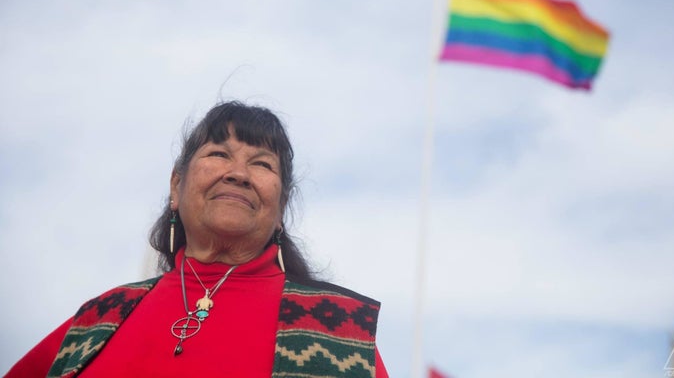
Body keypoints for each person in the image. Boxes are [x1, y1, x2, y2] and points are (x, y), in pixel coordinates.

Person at [6, 101, 388, 378]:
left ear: (281, 206)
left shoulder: (338, 330)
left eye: (261, 164)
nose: (238, 173)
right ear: (176, 185)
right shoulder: (95, 321)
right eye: (219, 154)